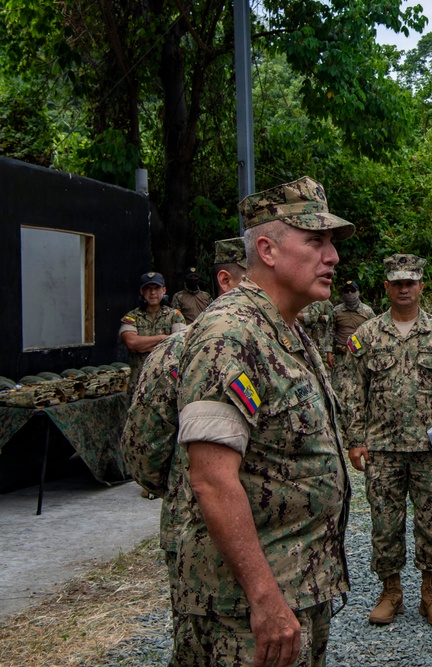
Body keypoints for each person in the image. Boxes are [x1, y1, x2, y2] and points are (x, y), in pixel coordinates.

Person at [172, 176, 354, 667]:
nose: (333, 257)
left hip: (298, 586)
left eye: (331, 242)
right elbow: (212, 479)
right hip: (245, 610)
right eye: (316, 241)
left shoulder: (284, 328)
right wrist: (265, 599)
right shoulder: (230, 334)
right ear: (267, 250)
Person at [121, 237, 247, 649]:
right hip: (194, 532)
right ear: (226, 281)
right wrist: (185, 485)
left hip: (260, 538)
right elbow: (143, 456)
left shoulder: (282, 346)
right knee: (199, 643)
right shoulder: (182, 347)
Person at [343, 253, 432, 627]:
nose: (404, 288)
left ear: (421, 286)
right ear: (387, 287)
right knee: (385, 522)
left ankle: (431, 593)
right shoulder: (367, 335)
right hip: (382, 446)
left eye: (410, 282)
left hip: (429, 448)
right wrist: (355, 438)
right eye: (397, 283)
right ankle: (391, 592)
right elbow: (352, 389)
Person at [119, 271, 186, 390]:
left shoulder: (175, 316)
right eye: (148, 288)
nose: (152, 292)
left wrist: (143, 346)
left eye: (156, 288)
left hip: (166, 383)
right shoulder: (132, 317)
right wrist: (163, 338)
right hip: (139, 383)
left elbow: (179, 345)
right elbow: (132, 342)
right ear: (141, 291)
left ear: (164, 290)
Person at [327, 280, 375, 392]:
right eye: (347, 291)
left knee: (360, 386)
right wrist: (329, 352)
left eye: (352, 291)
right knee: (338, 387)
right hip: (341, 354)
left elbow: (374, 333)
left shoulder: (367, 311)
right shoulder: (337, 311)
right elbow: (330, 331)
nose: (349, 294)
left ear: (358, 292)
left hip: (360, 355)